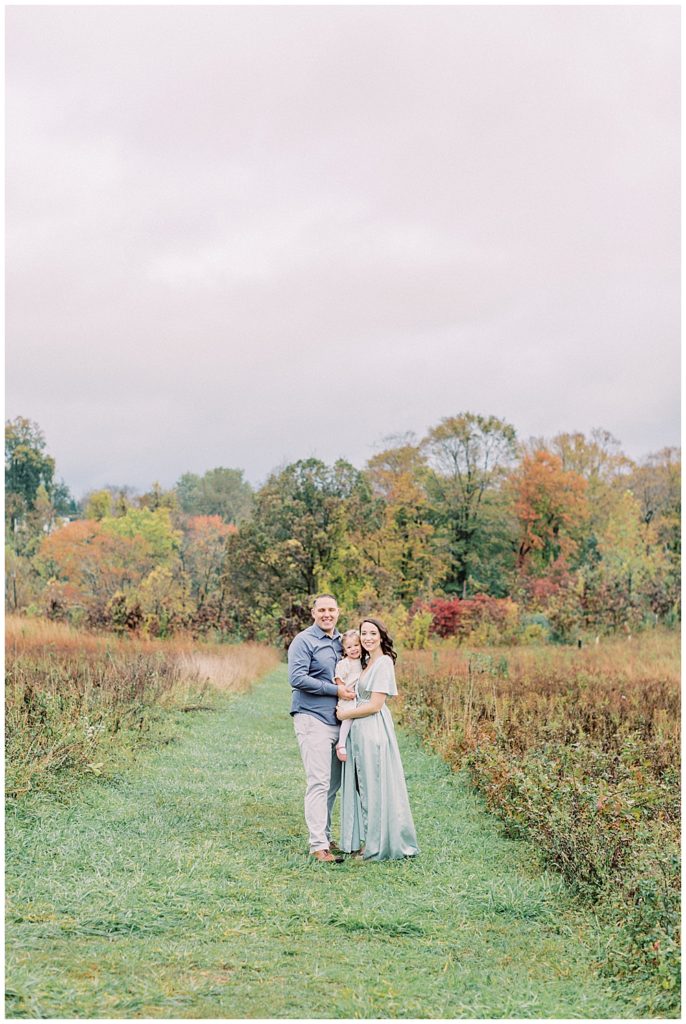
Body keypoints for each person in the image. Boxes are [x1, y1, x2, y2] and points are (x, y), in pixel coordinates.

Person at [337, 617, 419, 861]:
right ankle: (369, 840)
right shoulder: (366, 662)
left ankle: (378, 845)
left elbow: (375, 704)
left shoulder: (383, 663)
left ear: (381, 636)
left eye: (372, 633)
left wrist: (345, 713)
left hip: (373, 730)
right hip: (360, 732)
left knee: (375, 787)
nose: (367, 637)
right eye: (364, 633)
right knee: (365, 787)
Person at [288, 594, 356, 863]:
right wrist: (335, 689)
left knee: (333, 786)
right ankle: (317, 845)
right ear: (313, 613)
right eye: (322, 610)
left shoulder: (342, 643)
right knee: (318, 781)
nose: (327, 614)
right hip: (311, 717)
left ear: (338, 612)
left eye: (332, 609)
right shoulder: (304, 641)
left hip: (338, 723)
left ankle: (326, 838)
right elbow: (296, 678)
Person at [334, 630, 363, 762]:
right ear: (345, 650)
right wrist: (345, 692)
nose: (353, 649)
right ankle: (341, 743)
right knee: (349, 716)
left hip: (359, 696)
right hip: (348, 696)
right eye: (349, 647)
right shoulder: (345, 663)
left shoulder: (364, 661)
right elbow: (339, 680)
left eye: (356, 645)